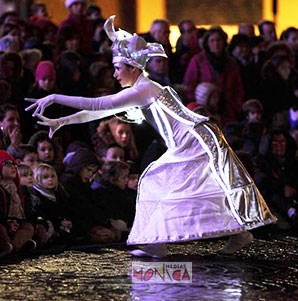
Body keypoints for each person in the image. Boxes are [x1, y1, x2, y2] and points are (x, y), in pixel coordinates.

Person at [26, 15, 277, 258]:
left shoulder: (143, 88)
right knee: (190, 186)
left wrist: (55, 97)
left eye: (117, 68)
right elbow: (97, 111)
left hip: (195, 139)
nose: (114, 74)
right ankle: (231, 234)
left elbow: (98, 103)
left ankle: (162, 242)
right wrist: (62, 120)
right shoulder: (140, 88)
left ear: (131, 67)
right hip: (191, 138)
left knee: (162, 181)